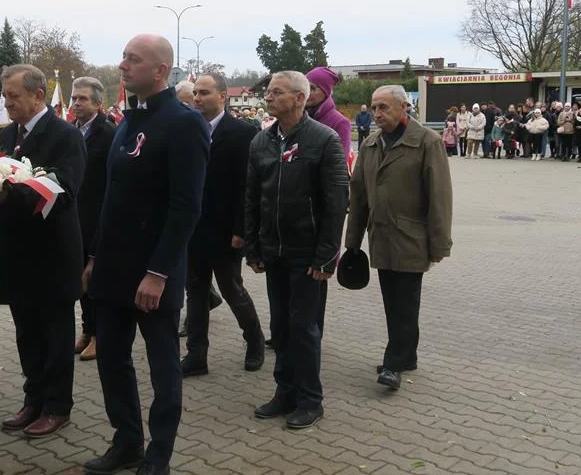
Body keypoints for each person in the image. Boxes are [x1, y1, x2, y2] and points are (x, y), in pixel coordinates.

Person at [81, 35, 209, 475]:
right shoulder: (128, 120)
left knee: (162, 368)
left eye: (132, 60)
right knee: (113, 362)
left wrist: (158, 272)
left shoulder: (183, 123)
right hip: (113, 270)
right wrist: (96, 254)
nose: (122, 66)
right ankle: (127, 441)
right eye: (122, 57)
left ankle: (159, 455)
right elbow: (112, 198)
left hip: (153, 272)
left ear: (159, 71)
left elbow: (186, 207)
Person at [244, 70, 347, 430]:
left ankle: (310, 399)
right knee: (281, 325)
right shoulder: (262, 141)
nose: (268, 98)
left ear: (300, 99)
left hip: (308, 254)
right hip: (275, 252)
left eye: (276, 93)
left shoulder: (324, 140)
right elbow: (252, 198)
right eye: (268, 93)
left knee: (304, 327)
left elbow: (336, 204)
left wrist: (326, 257)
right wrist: (253, 246)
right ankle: (284, 392)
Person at [0, 64, 86, 439]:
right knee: (26, 330)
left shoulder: (64, 135)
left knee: (55, 333)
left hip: (53, 253)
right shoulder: (8, 134)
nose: (7, 103)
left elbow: (65, 190)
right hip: (16, 249)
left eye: (14, 97)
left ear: (38, 96)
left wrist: (13, 190)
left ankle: (57, 406)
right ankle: (33, 399)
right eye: (5, 96)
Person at [345, 85, 452, 391]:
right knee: (393, 302)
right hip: (381, 236)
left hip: (411, 238)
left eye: (384, 108)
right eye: (374, 107)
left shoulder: (427, 142)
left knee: (405, 303)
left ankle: (393, 363)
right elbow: (359, 194)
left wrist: (439, 243)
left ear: (404, 107)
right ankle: (407, 356)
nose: (377, 113)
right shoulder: (371, 143)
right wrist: (352, 241)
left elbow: (440, 196)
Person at [182, 73, 265, 378]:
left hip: (225, 229)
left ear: (222, 96)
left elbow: (246, 185)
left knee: (231, 288)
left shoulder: (241, 133)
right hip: (193, 227)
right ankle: (196, 355)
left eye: (204, 92)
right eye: (195, 93)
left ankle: (254, 339)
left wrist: (241, 230)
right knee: (196, 291)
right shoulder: (189, 129)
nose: (198, 98)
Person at [71, 76, 116, 363]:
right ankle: (87, 329)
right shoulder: (69, 130)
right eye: (75, 98)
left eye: (83, 99)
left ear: (98, 104)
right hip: (74, 217)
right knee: (80, 278)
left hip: (98, 216)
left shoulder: (108, 134)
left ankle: (101, 335)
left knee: (97, 279)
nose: (76, 103)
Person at [305, 66, 352, 157]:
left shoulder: (340, 122)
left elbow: (339, 163)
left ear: (325, 91)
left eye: (312, 88)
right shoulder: (298, 117)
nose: (307, 92)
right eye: (305, 87)